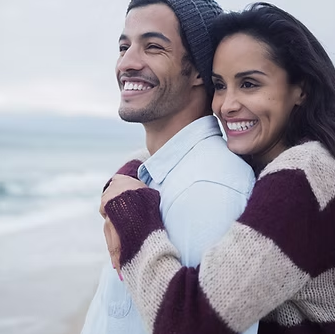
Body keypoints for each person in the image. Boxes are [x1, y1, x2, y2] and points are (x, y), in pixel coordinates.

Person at [101, 2, 335, 334]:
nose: (227, 105)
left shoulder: (304, 174)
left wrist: (131, 216)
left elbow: (188, 322)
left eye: (250, 84)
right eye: (220, 85)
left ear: (300, 89)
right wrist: (128, 175)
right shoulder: (268, 160)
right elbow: (163, 153)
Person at [81, 1, 258, 334]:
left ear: (197, 71)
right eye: (124, 46)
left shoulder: (208, 190)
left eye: (153, 47)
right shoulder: (154, 177)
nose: (127, 62)